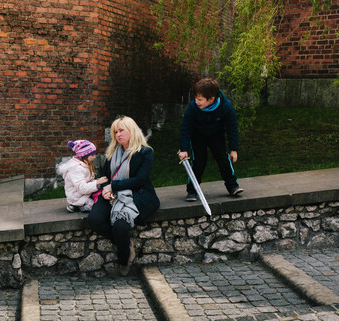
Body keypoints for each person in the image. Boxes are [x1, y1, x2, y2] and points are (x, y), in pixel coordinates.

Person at [87, 116, 160, 276]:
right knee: (94, 220)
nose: (118, 134)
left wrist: (113, 186)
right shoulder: (112, 152)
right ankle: (126, 243)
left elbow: (140, 180)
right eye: (115, 131)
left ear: (131, 130)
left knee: (120, 226)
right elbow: (105, 175)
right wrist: (106, 188)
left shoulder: (145, 152)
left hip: (135, 195)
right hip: (112, 195)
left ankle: (124, 259)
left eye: (121, 130)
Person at [178, 77, 243, 202]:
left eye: (200, 99)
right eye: (196, 98)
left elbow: (232, 128)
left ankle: (233, 186)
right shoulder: (193, 107)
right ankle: (192, 191)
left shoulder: (226, 106)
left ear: (212, 99)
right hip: (198, 135)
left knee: (223, 159)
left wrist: (234, 149)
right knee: (199, 162)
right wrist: (184, 149)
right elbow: (185, 128)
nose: (197, 101)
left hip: (216, 135)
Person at [58, 140, 108, 213]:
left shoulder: (85, 164)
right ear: (84, 156)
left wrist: (95, 181)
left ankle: (77, 205)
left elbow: (87, 181)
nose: (94, 157)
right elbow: (82, 188)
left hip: (83, 193)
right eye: (92, 155)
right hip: (76, 196)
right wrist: (97, 183)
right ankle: (77, 206)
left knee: (100, 198)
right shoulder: (76, 168)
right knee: (93, 206)